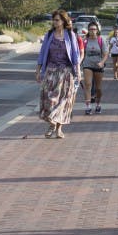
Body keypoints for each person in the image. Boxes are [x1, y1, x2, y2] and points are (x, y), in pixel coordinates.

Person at [35, 10, 82, 139]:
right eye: (54, 20)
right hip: (51, 72)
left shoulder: (70, 35)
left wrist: (78, 72)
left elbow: (75, 55)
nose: (54, 22)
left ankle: (58, 129)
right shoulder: (49, 34)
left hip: (66, 73)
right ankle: (51, 123)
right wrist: (38, 70)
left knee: (63, 102)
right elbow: (42, 53)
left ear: (63, 21)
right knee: (48, 100)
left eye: (57, 20)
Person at [81, 21, 108, 114]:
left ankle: (98, 104)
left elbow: (105, 54)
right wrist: (79, 63)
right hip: (87, 65)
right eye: (91, 29)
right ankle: (88, 107)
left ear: (97, 30)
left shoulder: (101, 40)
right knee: (88, 85)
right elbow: (81, 53)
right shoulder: (85, 40)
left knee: (98, 88)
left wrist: (102, 62)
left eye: (94, 29)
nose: (92, 31)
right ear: (88, 30)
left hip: (98, 66)